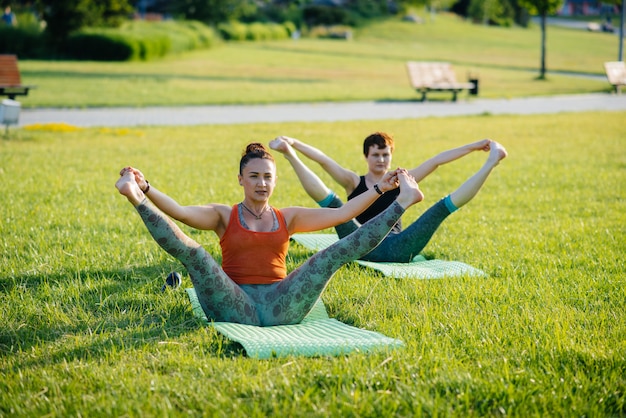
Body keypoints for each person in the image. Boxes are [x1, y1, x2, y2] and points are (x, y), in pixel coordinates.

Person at [116, 143, 424, 326]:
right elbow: (180, 212)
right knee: (195, 254)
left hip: (283, 305)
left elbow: (342, 214)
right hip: (232, 304)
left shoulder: (287, 217)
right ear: (241, 179)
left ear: (274, 181)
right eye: (254, 176)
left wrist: (382, 188)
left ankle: (403, 202)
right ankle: (133, 197)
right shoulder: (223, 215)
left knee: (332, 254)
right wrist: (144, 188)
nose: (261, 183)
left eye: (267, 177)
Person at [269, 133, 507, 263]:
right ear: (366, 156)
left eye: (385, 155)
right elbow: (324, 161)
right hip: (357, 242)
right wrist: (294, 144)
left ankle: (491, 161)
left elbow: (437, 160)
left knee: (440, 209)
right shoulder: (354, 182)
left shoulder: (403, 179)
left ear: (391, 156)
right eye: (376, 155)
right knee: (335, 206)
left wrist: (475, 146)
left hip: (397, 247)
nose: (381, 160)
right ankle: (288, 154)